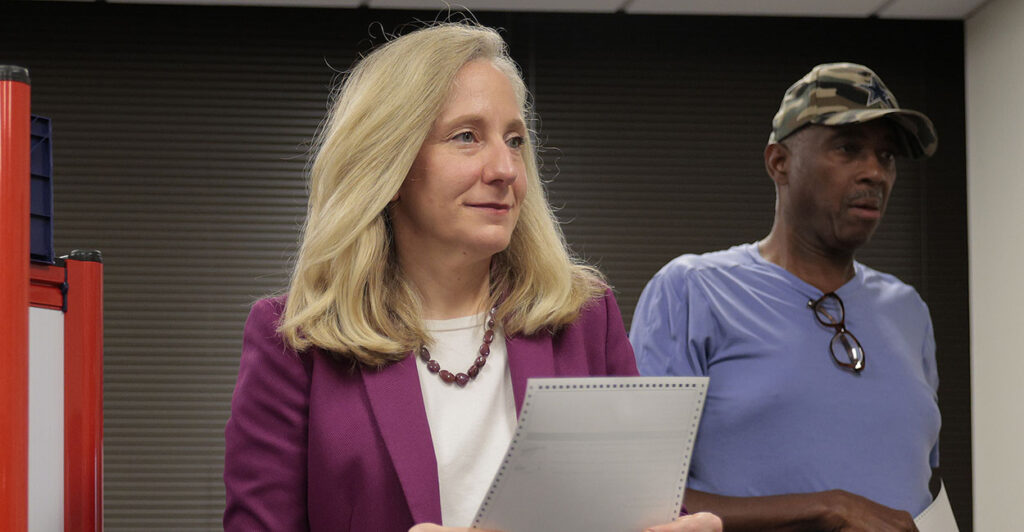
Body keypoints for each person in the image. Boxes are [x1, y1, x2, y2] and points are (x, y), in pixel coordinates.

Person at [223, 21, 721, 532]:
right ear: (388, 167)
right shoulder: (296, 343)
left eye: (514, 140)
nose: (505, 168)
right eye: (467, 137)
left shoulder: (586, 319)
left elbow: (635, 510)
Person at [630, 63, 941, 532]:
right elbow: (641, 499)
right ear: (779, 162)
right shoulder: (693, 292)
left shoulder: (908, 310)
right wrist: (827, 508)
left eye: (887, 156)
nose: (875, 173)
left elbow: (917, 484)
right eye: (849, 149)